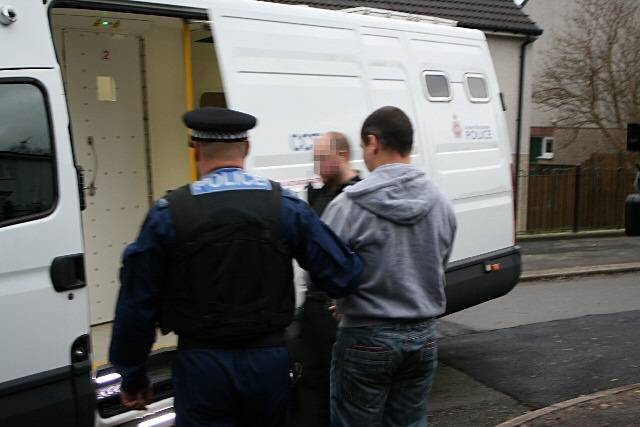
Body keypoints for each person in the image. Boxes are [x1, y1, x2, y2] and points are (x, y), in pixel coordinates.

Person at [108, 107, 363, 427]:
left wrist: (132, 374)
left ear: (197, 148)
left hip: (201, 365)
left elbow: (136, 302)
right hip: (267, 363)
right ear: (246, 148)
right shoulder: (283, 207)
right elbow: (343, 273)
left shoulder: (169, 214)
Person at [322, 106, 457, 427]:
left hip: (366, 336)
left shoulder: (347, 206)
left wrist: (341, 301)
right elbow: (439, 262)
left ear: (373, 142)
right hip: (423, 337)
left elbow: (325, 268)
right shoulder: (442, 204)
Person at [293, 132, 361, 427]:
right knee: (310, 388)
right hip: (314, 308)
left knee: (342, 393)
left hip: (338, 311)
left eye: (322, 158)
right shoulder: (320, 195)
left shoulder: (359, 195)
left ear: (342, 155)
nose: (317, 165)